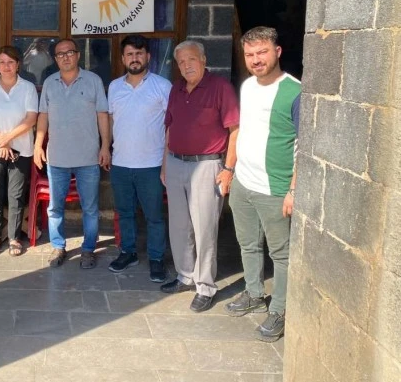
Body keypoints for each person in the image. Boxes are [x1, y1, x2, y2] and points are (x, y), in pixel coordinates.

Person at [225, 26, 301, 342]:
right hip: (244, 181)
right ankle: (254, 293)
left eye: (262, 52)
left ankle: (280, 310)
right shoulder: (247, 86)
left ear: (277, 52)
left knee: (281, 254)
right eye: (250, 54)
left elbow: (305, 145)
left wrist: (293, 190)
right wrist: (230, 170)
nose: (256, 60)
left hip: (276, 187)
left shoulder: (295, 92)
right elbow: (243, 130)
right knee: (248, 243)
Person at [160, 40, 239, 313]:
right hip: (176, 163)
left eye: (191, 59)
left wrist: (228, 170)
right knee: (179, 225)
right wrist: (164, 165)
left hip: (207, 166)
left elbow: (235, 131)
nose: (186, 66)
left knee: (205, 228)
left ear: (203, 60)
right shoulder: (177, 89)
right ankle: (185, 276)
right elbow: (169, 128)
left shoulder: (220, 88)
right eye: (181, 62)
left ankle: (205, 286)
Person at [34, 38, 110, 269]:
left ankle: (88, 249)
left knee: (90, 208)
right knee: (55, 207)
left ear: (78, 55)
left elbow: (102, 115)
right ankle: (58, 246)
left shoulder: (93, 80)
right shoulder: (50, 82)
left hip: (88, 157)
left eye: (69, 52)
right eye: (60, 54)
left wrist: (105, 146)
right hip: (57, 157)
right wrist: (38, 145)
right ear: (55, 59)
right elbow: (43, 116)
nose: (65, 57)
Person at [108, 35, 172, 282]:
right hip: (121, 163)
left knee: (154, 216)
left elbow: (170, 127)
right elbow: (111, 120)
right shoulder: (114, 87)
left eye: (139, 53)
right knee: (125, 212)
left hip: (151, 164)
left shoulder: (162, 86)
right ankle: (129, 252)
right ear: (123, 59)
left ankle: (156, 258)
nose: (134, 58)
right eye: (130, 54)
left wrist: (165, 162)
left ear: (148, 56)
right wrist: (106, 148)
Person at [0, 46, 38, 257]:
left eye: (11, 62)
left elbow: (31, 119)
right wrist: (0, 141)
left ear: (18, 64)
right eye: (2, 62)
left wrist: (8, 138)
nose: (6, 66)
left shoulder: (28, 88)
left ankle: (14, 238)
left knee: (16, 195)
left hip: (21, 149)